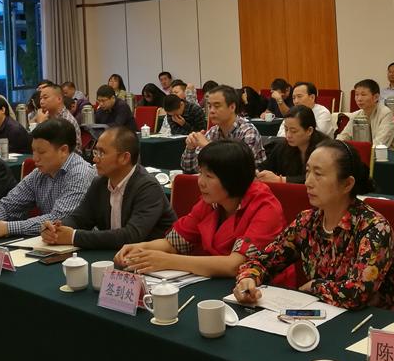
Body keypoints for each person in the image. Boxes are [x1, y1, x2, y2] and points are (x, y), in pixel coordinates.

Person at [235, 140, 394, 311]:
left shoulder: (374, 228)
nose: (308, 182)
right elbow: (265, 261)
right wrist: (248, 278)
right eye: (307, 171)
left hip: (370, 321)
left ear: (347, 184)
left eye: (318, 174)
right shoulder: (307, 221)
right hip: (319, 315)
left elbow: (359, 293)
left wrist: (315, 286)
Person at [114, 140, 285, 277]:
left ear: (233, 179)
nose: (200, 182)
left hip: (262, 289)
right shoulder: (211, 202)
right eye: (200, 173)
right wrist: (141, 248)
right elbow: (174, 243)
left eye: (209, 176)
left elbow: (236, 265)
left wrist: (168, 260)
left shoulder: (265, 207)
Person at [41, 126, 176, 248]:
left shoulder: (147, 187)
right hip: (117, 255)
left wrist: (73, 237)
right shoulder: (100, 183)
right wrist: (56, 228)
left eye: (101, 153)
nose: (95, 159)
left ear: (124, 158)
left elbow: (131, 236)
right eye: (95, 152)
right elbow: (79, 218)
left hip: (156, 259)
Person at [0, 120, 95, 237]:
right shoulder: (39, 174)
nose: (35, 158)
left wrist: (7, 228)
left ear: (63, 150)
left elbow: (59, 219)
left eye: (41, 152)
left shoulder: (80, 174)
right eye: (33, 151)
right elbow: (9, 204)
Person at [182, 85, 265, 173]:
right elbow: (190, 168)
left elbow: (238, 169)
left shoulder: (248, 131)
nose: (211, 111)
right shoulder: (213, 132)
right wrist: (190, 148)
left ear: (232, 107)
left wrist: (208, 147)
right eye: (209, 106)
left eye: (217, 106)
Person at [257, 106, 328, 184]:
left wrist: (281, 180)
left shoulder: (325, 149)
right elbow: (265, 166)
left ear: (309, 130)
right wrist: (256, 172)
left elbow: (317, 178)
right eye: (286, 129)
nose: (288, 135)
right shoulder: (283, 146)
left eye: (293, 131)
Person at [336, 79, 394, 150]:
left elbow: (380, 144)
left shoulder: (385, 113)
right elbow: (344, 136)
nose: (359, 99)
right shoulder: (356, 115)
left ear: (376, 97)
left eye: (363, 95)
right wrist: (335, 146)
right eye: (356, 95)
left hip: (389, 154)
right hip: (365, 152)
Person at [34, 83, 82, 156]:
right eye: (40, 98)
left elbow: (43, 146)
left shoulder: (66, 120)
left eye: (45, 98)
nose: (41, 102)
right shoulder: (47, 116)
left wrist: (40, 123)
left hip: (68, 160)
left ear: (59, 99)